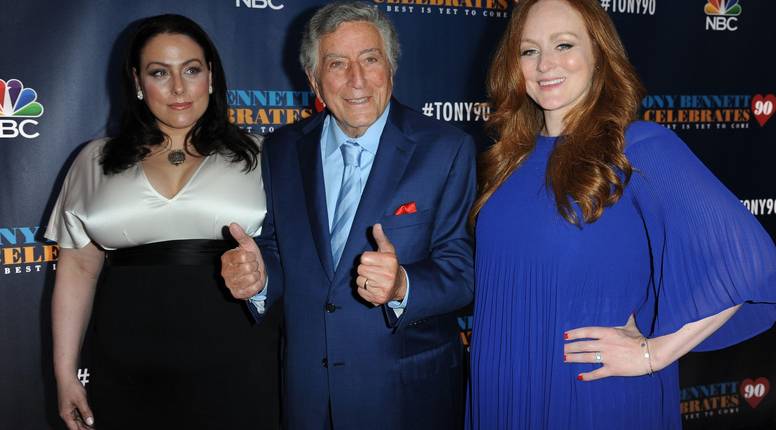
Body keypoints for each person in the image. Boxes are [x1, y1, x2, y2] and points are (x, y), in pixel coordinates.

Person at [466, 0, 776, 428]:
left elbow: (753, 261)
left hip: (590, 394)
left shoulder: (637, 147)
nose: (545, 63)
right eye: (529, 50)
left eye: (564, 44)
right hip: (503, 388)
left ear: (599, 54)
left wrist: (654, 353)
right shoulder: (508, 159)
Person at [220, 2, 476, 429]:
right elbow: (279, 249)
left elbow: (463, 271)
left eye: (370, 59)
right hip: (308, 395)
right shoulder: (282, 150)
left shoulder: (446, 148)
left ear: (391, 67)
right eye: (337, 64)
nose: (357, 79)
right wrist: (259, 276)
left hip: (407, 396)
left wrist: (402, 285)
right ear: (313, 79)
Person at [46, 14, 281, 430]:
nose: (178, 88)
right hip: (126, 366)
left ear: (211, 76)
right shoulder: (94, 160)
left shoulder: (263, 155)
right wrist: (65, 374)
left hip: (240, 359)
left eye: (191, 70)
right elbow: (78, 268)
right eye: (159, 72)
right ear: (137, 82)